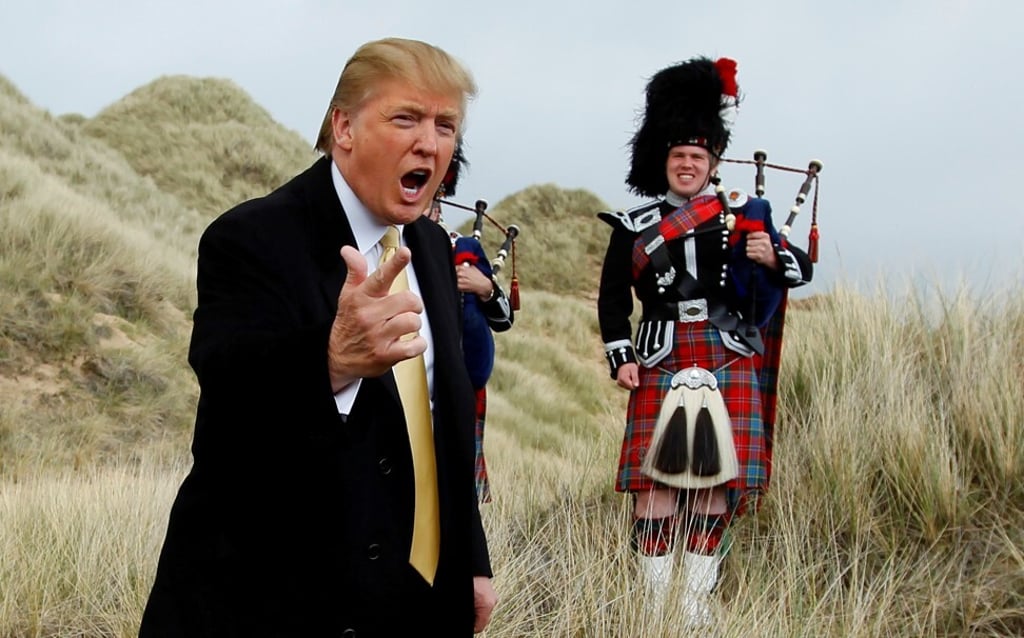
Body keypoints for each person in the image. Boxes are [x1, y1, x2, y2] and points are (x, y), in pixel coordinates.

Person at [139, 38, 497, 637]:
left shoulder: (432, 248)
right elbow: (231, 399)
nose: (429, 142)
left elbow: (438, 422)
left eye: (445, 125)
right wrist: (331, 362)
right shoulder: (249, 237)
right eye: (405, 117)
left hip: (415, 602)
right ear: (344, 127)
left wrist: (471, 561)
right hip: (272, 601)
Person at [597, 56, 812, 626]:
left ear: (713, 163)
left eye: (697, 157)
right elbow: (613, 299)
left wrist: (774, 255)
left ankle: (693, 611)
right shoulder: (634, 224)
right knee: (653, 488)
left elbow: (799, 267)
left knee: (713, 488)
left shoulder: (736, 217)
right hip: (662, 353)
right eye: (678, 157)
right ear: (663, 162)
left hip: (728, 352)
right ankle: (650, 610)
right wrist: (621, 355)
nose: (687, 165)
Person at [424, 146, 514, 503]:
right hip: (398, 384)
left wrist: (486, 287)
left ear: (439, 205)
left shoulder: (463, 251)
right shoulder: (383, 246)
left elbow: (504, 319)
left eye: (431, 199)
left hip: (458, 386)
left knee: (456, 500)